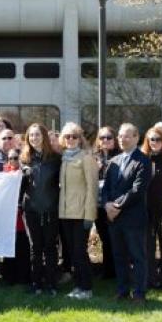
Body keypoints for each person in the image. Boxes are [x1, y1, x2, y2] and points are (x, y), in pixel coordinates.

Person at [101, 123, 152, 303]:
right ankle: (122, 291)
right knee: (119, 256)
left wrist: (116, 206)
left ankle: (139, 293)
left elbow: (138, 190)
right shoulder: (113, 161)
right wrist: (107, 204)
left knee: (138, 257)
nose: (122, 139)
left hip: (132, 218)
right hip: (114, 219)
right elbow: (105, 188)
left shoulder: (143, 160)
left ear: (137, 138)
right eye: (120, 136)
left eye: (127, 136)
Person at [20, 123, 61, 296]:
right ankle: (36, 283)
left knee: (50, 247)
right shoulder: (24, 159)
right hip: (31, 210)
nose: (34, 138)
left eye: (37, 135)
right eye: (31, 135)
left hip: (51, 209)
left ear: (44, 136)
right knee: (35, 247)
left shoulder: (55, 159)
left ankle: (51, 284)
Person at [58, 122, 98, 300]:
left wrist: (90, 215)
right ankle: (77, 286)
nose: (71, 140)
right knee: (72, 253)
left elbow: (92, 187)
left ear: (80, 139)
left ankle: (86, 288)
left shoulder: (86, 158)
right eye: (67, 136)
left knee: (80, 252)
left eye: (74, 136)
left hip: (81, 213)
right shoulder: (64, 158)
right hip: (65, 213)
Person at [140, 127, 162, 290]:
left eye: (158, 139)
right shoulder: (142, 159)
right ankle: (150, 279)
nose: (154, 142)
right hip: (146, 211)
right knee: (148, 247)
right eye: (151, 139)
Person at [93, 126, 119, 279]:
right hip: (98, 205)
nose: (105, 140)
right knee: (104, 237)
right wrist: (94, 170)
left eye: (109, 137)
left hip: (114, 205)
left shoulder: (120, 156)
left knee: (115, 237)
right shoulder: (94, 156)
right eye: (102, 138)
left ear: (114, 139)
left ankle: (117, 270)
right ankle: (108, 271)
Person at [1, 148, 31, 286]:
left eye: (16, 158)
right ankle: (9, 277)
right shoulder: (3, 175)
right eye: (10, 158)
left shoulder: (26, 174)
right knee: (9, 249)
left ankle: (23, 277)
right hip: (7, 219)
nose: (13, 161)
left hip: (22, 218)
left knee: (22, 248)